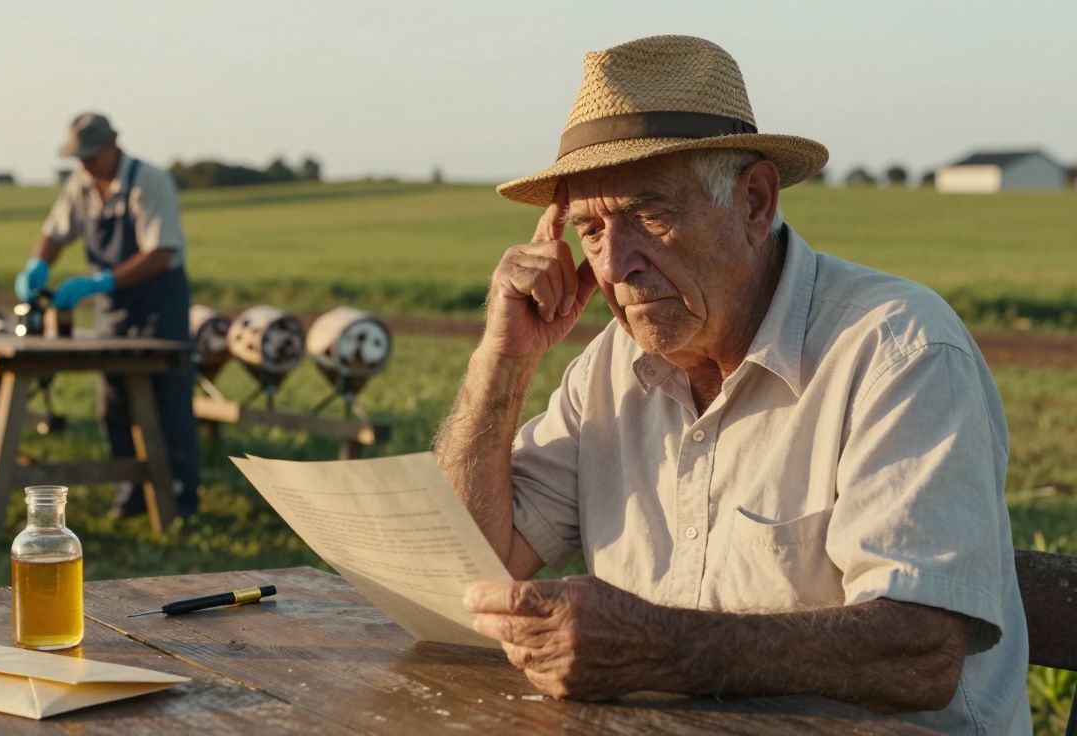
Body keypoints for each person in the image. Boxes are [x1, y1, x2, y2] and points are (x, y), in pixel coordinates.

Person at [434, 36, 1028, 734]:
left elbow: (922, 650)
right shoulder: (606, 371)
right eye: (590, 230)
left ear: (754, 202)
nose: (616, 264)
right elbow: (469, 569)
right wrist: (502, 363)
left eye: (649, 213)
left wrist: (659, 649)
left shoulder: (898, 350)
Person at [14, 112, 199, 518]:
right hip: (113, 308)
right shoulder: (80, 184)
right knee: (114, 399)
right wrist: (37, 265)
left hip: (157, 302)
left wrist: (101, 283)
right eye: (78, 157)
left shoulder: (149, 181)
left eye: (91, 156)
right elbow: (55, 233)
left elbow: (162, 250)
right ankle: (131, 492)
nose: (84, 165)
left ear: (114, 147)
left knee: (166, 397)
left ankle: (180, 497)